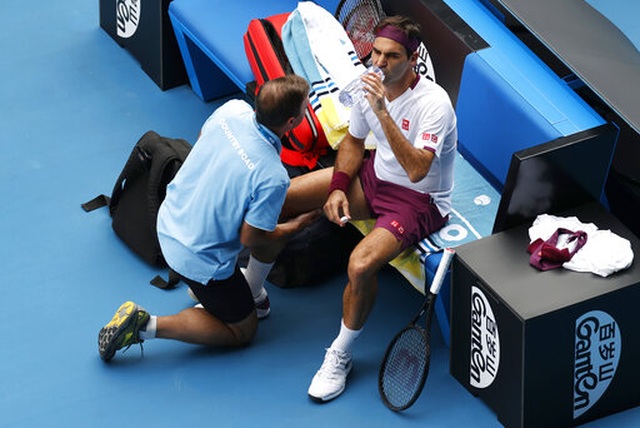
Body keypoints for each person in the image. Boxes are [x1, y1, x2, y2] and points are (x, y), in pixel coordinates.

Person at [278, 16, 458, 402]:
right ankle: (253, 287)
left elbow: (416, 170)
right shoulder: (366, 85)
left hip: (419, 200)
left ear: (412, 61)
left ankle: (340, 354)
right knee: (283, 195)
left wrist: (382, 109)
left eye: (392, 56)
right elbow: (354, 143)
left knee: (360, 264)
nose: (378, 63)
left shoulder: (434, 104)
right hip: (374, 178)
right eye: (375, 52)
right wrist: (340, 187)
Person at [98, 75, 320, 362]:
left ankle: (226, 291)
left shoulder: (232, 110)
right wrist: (297, 225)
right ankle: (143, 325)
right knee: (244, 331)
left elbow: (203, 143)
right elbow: (251, 239)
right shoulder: (272, 177)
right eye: (305, 108)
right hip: (196, 259)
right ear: (292, 122)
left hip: (166, 221)